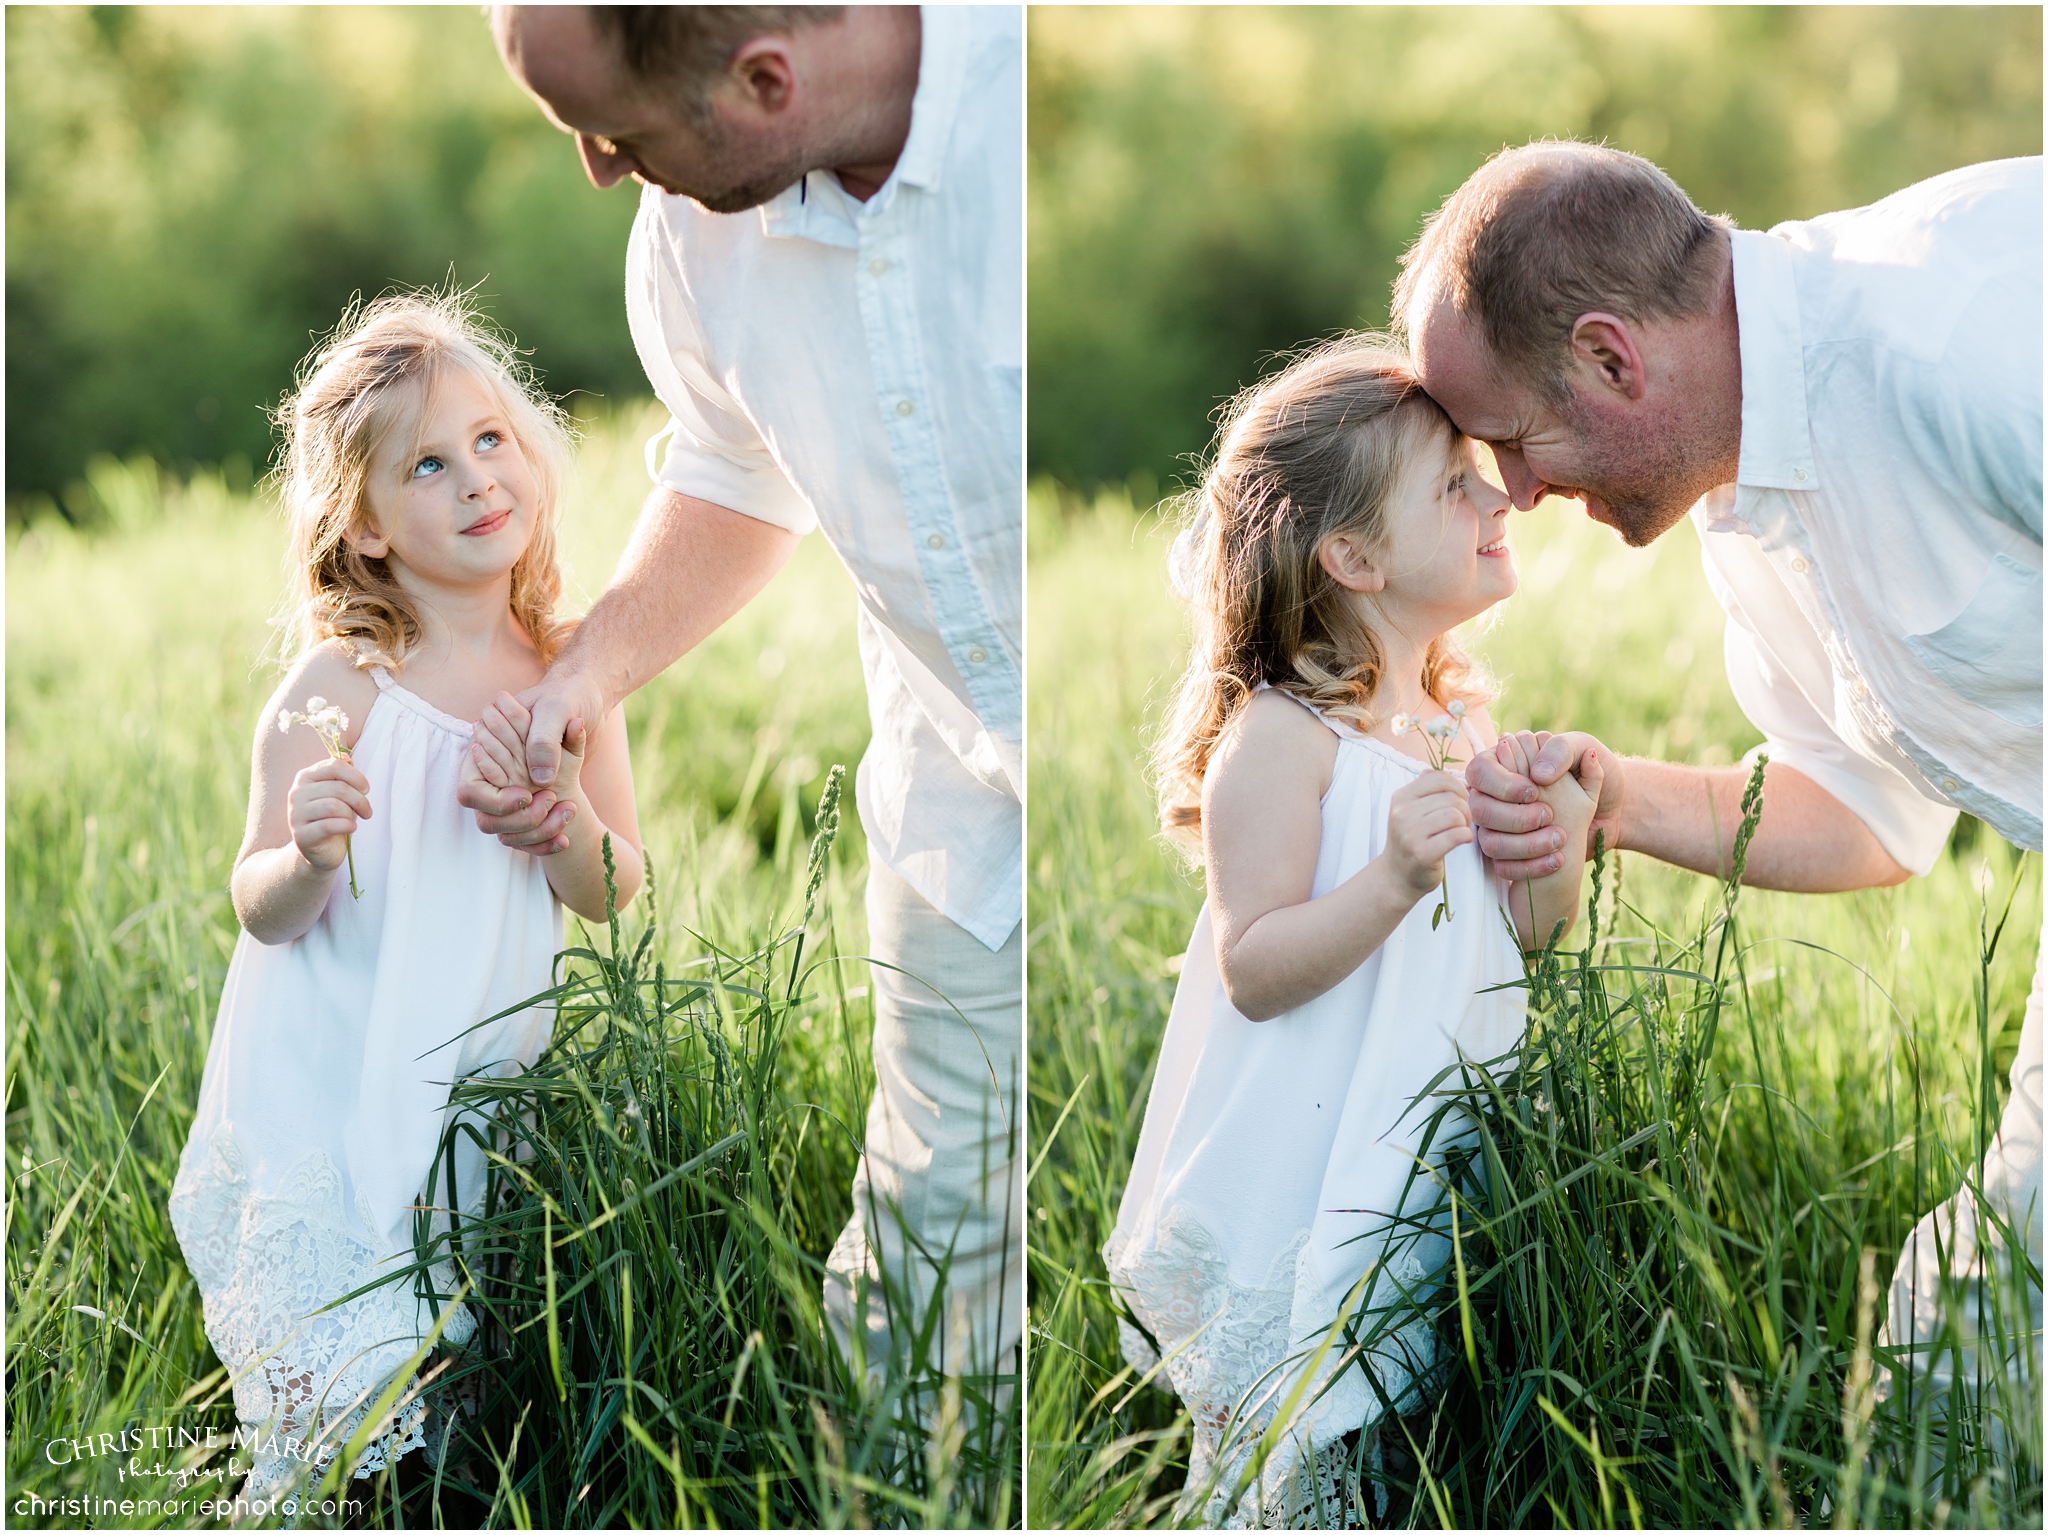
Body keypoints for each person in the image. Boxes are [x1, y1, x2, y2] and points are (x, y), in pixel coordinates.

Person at [1397, 143, 2041, 1432]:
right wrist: (1612, 797)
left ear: (1610, 358)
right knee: (1971, 1339)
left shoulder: (1966, 338)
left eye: (1511, 444)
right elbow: (1865, 807)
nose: (1513, 496)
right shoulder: (1745, 510)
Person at [481, 6, 1023, 1395]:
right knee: (930, 1243)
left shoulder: (1029, 109)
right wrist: (590, 663)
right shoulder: (692, 235)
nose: (601, 168)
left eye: (617, 131)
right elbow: (733, 471)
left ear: (766, 83)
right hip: (950, 796)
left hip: (1146, 777)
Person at [1104, 336, 1602, 1527]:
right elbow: (1253, 964)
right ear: (1352, 555)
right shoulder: (1285, 739)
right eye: (1452, 483)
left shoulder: (1455, 719)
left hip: (1417, 1139)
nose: (1496, 495)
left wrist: (1561, 836)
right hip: (1302, 1146)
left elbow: (1519, 938)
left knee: (1401, 1419)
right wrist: (1388, 875)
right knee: (1281, 1445)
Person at [169, 293, 644, 1502]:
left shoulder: (569, 670)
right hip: (338, 1050)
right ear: (367, 528)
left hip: (480, 1056)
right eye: (426, 465)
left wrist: (564, 825)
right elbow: (257, 901)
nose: (476, 477)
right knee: (336, 1320)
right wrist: (309, 855)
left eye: (490, 439)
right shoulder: (344, 681)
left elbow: (613, 887)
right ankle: (310, 1474)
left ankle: (450, 1474)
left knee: (465, 1295)